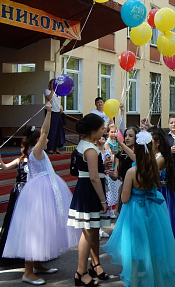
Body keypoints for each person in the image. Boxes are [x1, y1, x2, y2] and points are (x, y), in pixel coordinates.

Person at [3, 102, 79, 285]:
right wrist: (49, 112)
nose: (47, 140)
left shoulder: (39, 153)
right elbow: (45, 131)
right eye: (44, 138)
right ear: (38, 140)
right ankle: (28, 272)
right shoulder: (36, 152)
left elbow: (44, 134)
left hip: (45, 190)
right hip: (38, 194)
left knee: (44, 228)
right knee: (35, 229)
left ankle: (37, 264)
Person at [103, 130, 175, 287]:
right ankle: (156, 280)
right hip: (154, 211)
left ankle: (135, 282)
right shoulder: (154, 169)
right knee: (154, 246)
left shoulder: (131, 172)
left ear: (136, 150)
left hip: (135, 213)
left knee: (135, 250)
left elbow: (124, 198)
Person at [67, 113, 113, 287]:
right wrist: (103, 200)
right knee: (87, 233)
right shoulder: (90, 150)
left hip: (85, 189)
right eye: (101, 129)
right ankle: (81, 272)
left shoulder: (84, 145)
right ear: (93, 131)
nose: (103, 131)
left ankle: (93, 266)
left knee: (92, 231)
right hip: (89, 192)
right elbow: (94, 177)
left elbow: (91, 170)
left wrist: (102, 166)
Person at [0, 138, 30, 268]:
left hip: (32, 192)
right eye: (24, 147)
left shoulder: (38, 161)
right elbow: (3, 167)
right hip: (20, 193)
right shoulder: (19, 161)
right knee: (16, 221)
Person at [149, 126, 175, 239]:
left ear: (157, 143)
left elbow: (148, 173)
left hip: (161, 192)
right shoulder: (150, 156)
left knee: (160, 225)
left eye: (149, 140)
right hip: (152, 191)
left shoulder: (161, 158)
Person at [111, 126, 138, 213]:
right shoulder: (120, 155)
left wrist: (121, 144)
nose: (127, 138)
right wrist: (111, 174)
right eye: (126, 135)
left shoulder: (140, 153)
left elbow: (136, 159)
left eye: (131, 136)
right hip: (125, 188)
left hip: (137, 189)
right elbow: (116, 176)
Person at [44, 78, 65, 154]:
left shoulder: (58, 93)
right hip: (51, 112)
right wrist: (53, 90)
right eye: (52, 83)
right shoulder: (47, 91)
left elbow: (58, 102)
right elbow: (49, 98)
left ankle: (57, 147)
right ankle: (50, 147)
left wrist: (61, 107)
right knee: (52, 130)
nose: (53, 85)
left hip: (58, 112)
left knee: (58, 130)